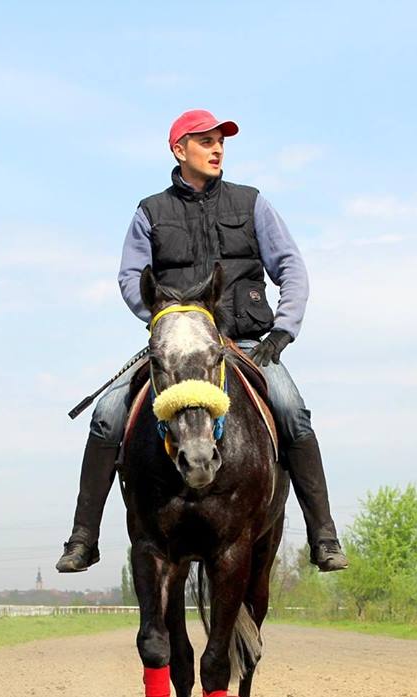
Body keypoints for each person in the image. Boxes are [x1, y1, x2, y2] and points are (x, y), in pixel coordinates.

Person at [56, 109, 347, 574]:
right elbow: (131, 276)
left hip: (248, 342)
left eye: (221, 142)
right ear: (180, 150)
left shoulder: (252, 203)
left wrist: (284, 328)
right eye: (206, 141)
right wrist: (167, 321)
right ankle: (83, 539)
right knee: (107, 415)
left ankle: (324, 535)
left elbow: (291, 266)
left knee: (292, 412)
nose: (217, 150)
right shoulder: (150, 211)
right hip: (177, 345)